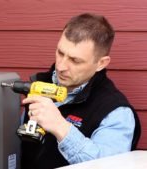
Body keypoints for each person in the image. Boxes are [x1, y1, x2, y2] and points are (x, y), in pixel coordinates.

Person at [21, 13, 141, 169]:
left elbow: (109, 166)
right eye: (60, 53)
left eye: (75, 60)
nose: (61, 66)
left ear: (101, 63)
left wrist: (61, 128)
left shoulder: (115, 112)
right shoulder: (38, 84)